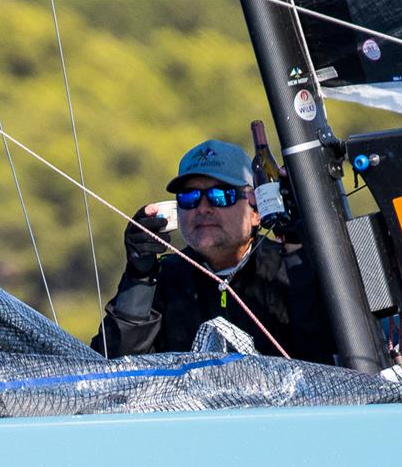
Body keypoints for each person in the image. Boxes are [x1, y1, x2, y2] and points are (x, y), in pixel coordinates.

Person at [92, 139, 335, 364]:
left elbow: (325, 352)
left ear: (256, 212)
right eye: (190, 197)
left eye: (221, 195)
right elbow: (111, 369)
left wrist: (301, 245)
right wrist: (138, 278)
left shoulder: (292, 268)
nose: (203, 208)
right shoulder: (165, 278)